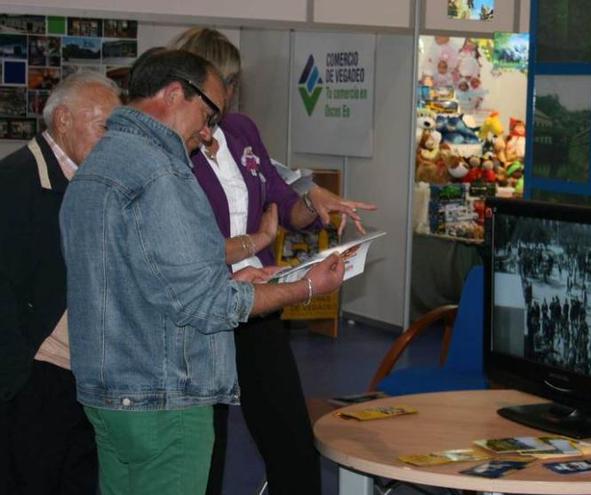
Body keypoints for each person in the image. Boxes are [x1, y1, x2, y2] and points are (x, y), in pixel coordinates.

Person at [59, 49, 344, 495]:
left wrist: (228, 275)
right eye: (208, 113)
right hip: (164, 398)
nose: (209, 131)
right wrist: (307, 286)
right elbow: (208, 307)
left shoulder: (99, 162)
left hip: (109, 394)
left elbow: (136, 276)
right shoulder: (162, 173)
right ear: (175, 93)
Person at [168, 27, 376, 495]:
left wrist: (317, 206)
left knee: (290, 438)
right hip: (203, 313)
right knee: (206, 444)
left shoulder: (242, 130)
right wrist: (249, 245)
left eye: (233, 81)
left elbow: (283, 203)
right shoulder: (173, 146)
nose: (228, 92)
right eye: (220, 81)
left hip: (259, 303)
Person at [0, 71, 121, 495]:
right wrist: (18, 378)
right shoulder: (15, 182)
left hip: (82, 372)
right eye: (104, 125)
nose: (112, 139)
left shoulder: (89, 182)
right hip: (36, 376)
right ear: (64, 120)